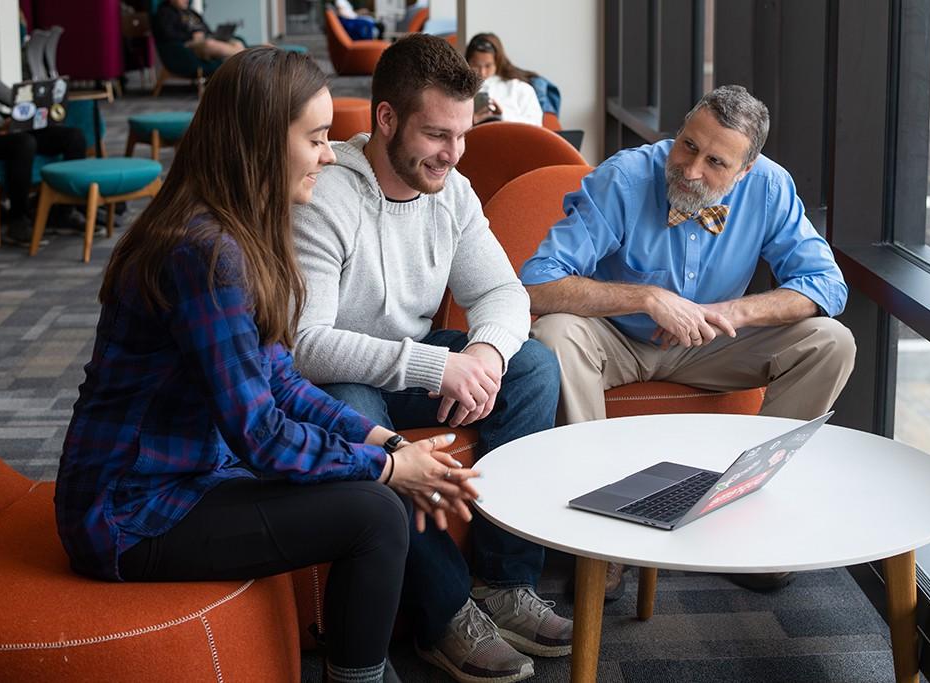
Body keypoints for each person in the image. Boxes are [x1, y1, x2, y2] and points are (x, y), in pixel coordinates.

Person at [54, 47, 480, 683]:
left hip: (188, 478)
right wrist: (391, 467)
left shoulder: (238, 232)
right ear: (259, 142)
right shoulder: (203, 254)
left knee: (374, 498)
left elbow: (280, 379)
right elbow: (260, 435)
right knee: (376, 512)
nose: (331, 155)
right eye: (315, 139)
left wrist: (385, 442)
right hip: (130, 513)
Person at [292, 34, 570, 683]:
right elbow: (304, 343)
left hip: (413, 365)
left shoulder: (453, 193)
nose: (454, 153)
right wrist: (435, 367)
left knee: (532, 368)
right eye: (438, 135)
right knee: (355, 416)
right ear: (386, 119)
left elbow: (504, 292)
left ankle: (504, 580)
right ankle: (445, 613)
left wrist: (484, 352)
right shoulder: (328, 199)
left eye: (463, 135)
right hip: (336, 373)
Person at [520, 84, 856, 593]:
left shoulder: (768, 187)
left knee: (830, 341)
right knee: (555, 334)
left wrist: (731, 311)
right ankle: (596, 535)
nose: (692, 169)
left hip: (711, 343)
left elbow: (827, 284)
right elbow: (540, 283)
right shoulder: (625, 178)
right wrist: (648, 298)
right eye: (688, 146)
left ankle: (741, 506)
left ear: (745, 172)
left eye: (716, 162)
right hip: (616, 343)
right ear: (678, 132)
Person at [0, 67, 87, 244]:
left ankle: (63, 211)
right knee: (24, 143)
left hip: (3, 127)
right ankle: (17, 220)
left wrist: (32, 98)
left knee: (74, 137)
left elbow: (13, 99)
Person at [465, 33, 543, 127]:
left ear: (498, 62)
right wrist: (471, 122)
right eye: (476, 66)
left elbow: (536, 125)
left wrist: (503, 117)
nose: (482, 72)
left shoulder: (520, 88)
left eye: (488, 66)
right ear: (468, 62)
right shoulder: (460, 90)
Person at [153, 0, 244, 61]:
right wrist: (191, 36)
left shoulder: (192, 12)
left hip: (207, 39)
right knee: (209, 44)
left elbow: (206, 29)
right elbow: (167, 34)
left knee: (237, 43)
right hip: (190, 44)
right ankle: (245, 56)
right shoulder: (165, 12)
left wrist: (217, 35)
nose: (187, 0)